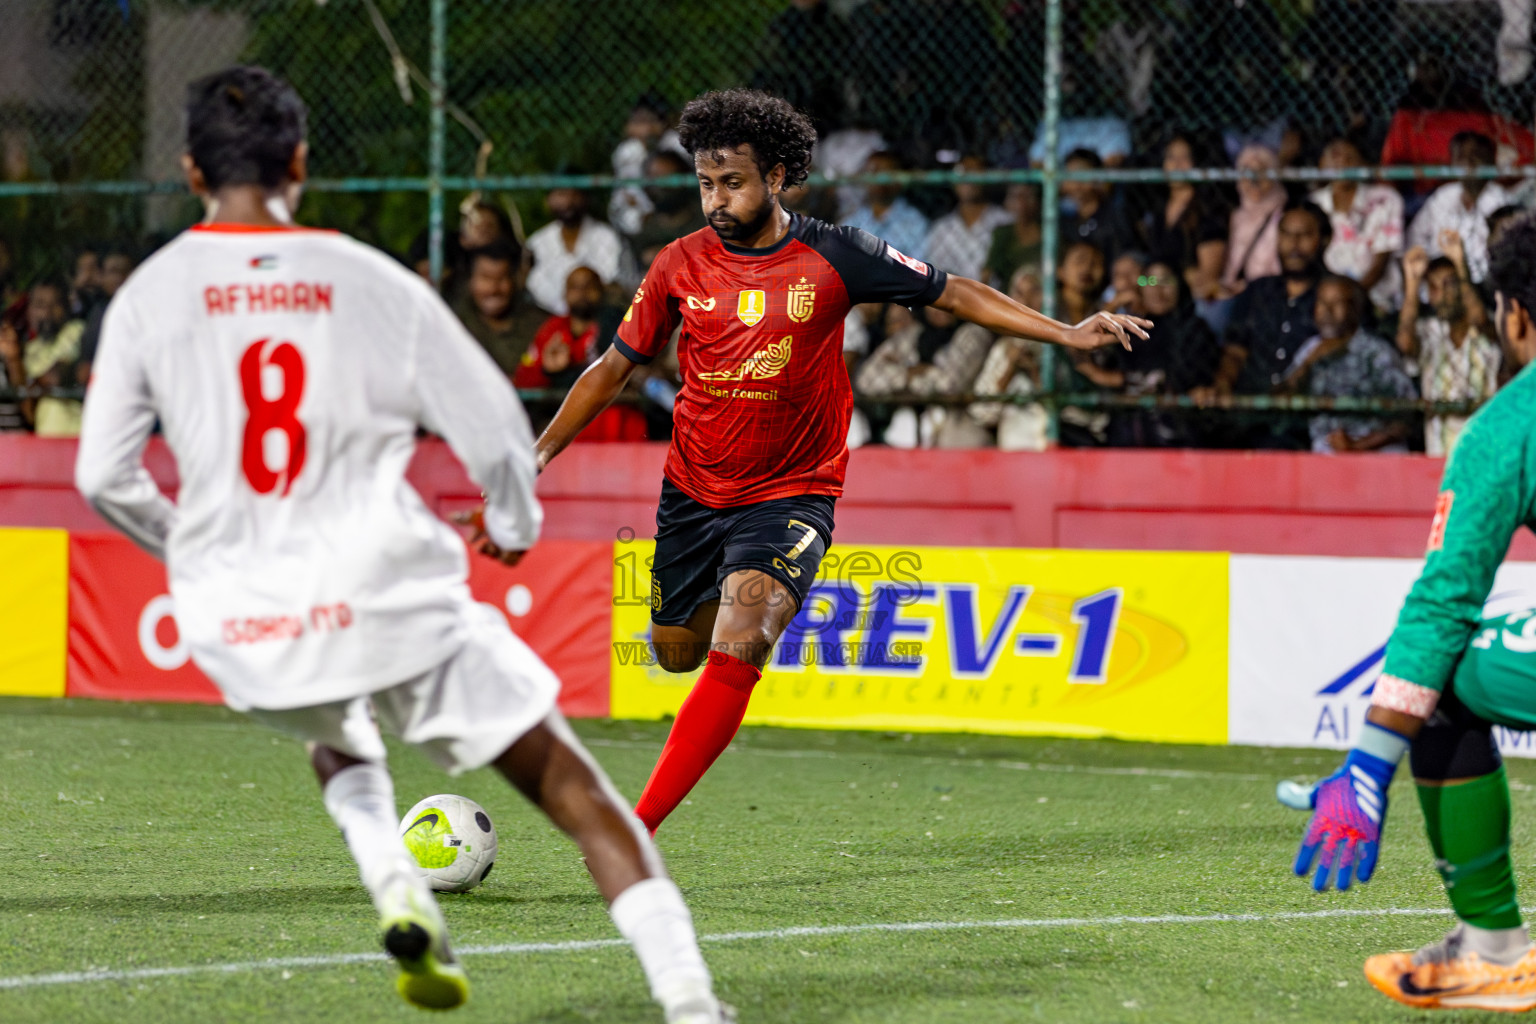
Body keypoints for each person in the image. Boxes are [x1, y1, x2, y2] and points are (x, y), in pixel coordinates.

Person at [72, 66, 730, 1024]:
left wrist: (197, 549)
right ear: (301, 163)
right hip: (383, 588)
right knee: (576, 791)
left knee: (333, 723)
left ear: (188, 171)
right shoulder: (366, 279)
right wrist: (513, 526)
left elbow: (103, 476)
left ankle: (397, 886)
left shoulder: (147, 296)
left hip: (238, 620)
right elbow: (499, 433)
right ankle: (692, 1002)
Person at [533, 88, 1147, 835]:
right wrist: (538, 452)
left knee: (745, 635)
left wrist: (1068, 333)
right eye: (705, 184)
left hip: (793, 492)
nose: (717, 200)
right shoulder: (678, 264)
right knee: (674, 653)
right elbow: (613, 366)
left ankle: (634, 829)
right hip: (692, 491)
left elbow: (955, 292)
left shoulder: (836, 255)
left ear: (781, 176)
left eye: (733, 182)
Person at [1280, 212, 1536, 1012]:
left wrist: (1368, 765)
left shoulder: (1510, 423)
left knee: (1445, 674)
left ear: (1514, 315)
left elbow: (1443, 603)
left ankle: (1494, 949)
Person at [1198, 200, 1331, 448]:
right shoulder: (1257, 291)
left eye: (1304, 235)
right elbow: (1235, 349)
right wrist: (1223, 383)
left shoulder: (1337, 295)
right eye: (1287, 234)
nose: (1294, 243)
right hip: (1249, 415)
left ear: (1324, 240)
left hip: (1307, 422)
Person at [1281, 276, 1416, 454]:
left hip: (1377, 458)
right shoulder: (1310, 349)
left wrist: (1356, 447)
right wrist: (1308, 363)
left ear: (1355, 310)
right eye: (1322, 303)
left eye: (1337, 303)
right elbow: (1280, 402)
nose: (1327, 311)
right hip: (1325, 457)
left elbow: (1408, 416)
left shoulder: (1375, 351)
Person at [1399, 246, 1501, 456]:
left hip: (1484, 451)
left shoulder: (1487, 331)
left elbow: (1479, 320)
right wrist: (1412, 284)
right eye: (1433, 288)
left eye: (1450, 284)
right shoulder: (1430, 331)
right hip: (1439, 453)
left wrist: (1461, 267)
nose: (1442, 295)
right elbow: (1405, 343)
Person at [1309, 136, 1403, 316]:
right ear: (1322, 164)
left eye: (1350, 158)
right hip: (1326, 301)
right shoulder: (1314, 204)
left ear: (1363, 164)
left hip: (1377, 299)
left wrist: (1349, 299)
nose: (1342, 163)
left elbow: (1380, 262)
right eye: (1335, 156)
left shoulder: (1384, 199)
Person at [1407, 132, 1513, 285]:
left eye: (1476, 154)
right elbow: (1414, 238)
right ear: (1452, 163)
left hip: (1487, 285)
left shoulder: (1502, 200)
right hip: (1441, 283)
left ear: (1490, 161)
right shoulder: (1443, 197)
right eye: (1461, 155)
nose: (1468, 161)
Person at [1137, 134, 1228, 307]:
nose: (1177, 164)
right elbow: (1144, 278)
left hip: (1192, 301)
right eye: (1171, 157)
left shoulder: (1207, 212)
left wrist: (1175, 277)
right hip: (1158, 295)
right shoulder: (1157, 210)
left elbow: (1207, 280)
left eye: (1185, 157)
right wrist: (1144, 284)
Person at [453, 238, 546, 379]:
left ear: (514, 280)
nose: (493, 289)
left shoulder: (541, 325)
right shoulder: (453, 323)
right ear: (470, 280)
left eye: (502, 278)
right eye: (485, 278)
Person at [525, 188, 629, 315]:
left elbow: (612, 282)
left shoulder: (607, 237)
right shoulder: (537, 242)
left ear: (585, 198)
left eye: (575, 194)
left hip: (600, 315)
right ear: (548, 200)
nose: (568, 202)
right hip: (546, 318)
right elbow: (533, 285)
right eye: (561, 194)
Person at [924, 155, 1011, 281]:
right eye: (962, 171)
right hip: (951, 298)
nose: (968, 177)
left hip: (996, 298)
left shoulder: (1004, 221)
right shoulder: (941, 229)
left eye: (975, 171)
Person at [20, 278, 85, 437]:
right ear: (30, 311)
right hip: (45, 439)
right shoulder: (30, 349)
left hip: (75, 437)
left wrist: (34, 385)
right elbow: (28, 409)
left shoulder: (76, 331)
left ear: (66, 307)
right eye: (40, 305)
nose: (47, 312)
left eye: (55, 304)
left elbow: (55, 377)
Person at [1220, 143, 1287, 294]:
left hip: (1268, 294)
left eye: (1261, 171)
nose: (1254, 180)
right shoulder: (1235, 217)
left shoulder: (1284, 217)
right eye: (1247, 172)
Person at [839, 150, 929, 260]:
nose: (878, 178)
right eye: (873, 171)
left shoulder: (914, 221)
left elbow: (919, 266)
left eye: (885, 172)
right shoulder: (853, 218)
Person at [983, 182, 1042, 289]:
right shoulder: (1003, 233)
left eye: (1027, 196)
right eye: (1015, 196)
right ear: (1007, 202)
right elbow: (988, 273)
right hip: (1009, 297)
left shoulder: (1049, 233)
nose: (1021, 202)